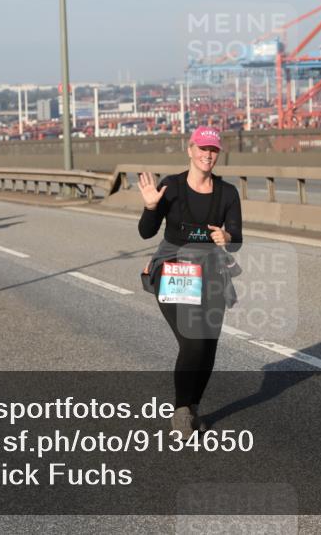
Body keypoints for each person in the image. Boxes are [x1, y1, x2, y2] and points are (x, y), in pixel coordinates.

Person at [138, 126, 242, 438]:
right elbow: (146, 232)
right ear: (190, 149)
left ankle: (192, 407)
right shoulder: (170, 186)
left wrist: (227, 236)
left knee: (208, 345)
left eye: (213, 150)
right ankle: (181, 411)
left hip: (211, 271)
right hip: (174, 269)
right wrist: (151, 206)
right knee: (194, 339)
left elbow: (236, 239)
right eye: (202, 149)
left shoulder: (227, 193)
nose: (207, 155)